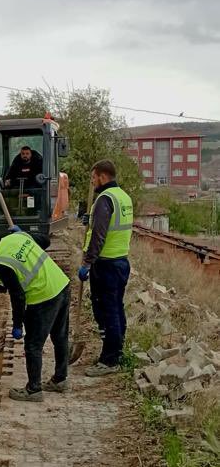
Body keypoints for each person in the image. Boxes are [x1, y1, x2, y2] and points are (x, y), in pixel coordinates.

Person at [0, 228, 70, 402]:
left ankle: (34, 390)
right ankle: (60, 380)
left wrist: (17, 325)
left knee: (33, 345)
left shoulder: (1, 263)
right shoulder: (14, 237)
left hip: (43, 297)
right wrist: (24, 233)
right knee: (59, 337)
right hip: (61, 285)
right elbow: (45, 241)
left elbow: (18, 296)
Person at [78, 159, 134, 377]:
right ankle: (117, 349)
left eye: (93, 178)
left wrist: (86, 263)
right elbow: (109, 225)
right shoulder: (123, 197)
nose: (92, 182)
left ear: (102, 176)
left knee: (105, 309)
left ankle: (109, 360)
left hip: (106, 264)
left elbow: (99, 236)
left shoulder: (104, 199)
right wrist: (90, 219)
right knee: (116, 307)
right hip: (121, 261)